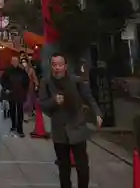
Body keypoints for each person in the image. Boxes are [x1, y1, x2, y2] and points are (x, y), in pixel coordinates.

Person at [39, 53, 103, 188]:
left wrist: (97, 113)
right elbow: (43, 105)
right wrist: (54, 101)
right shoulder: (46, 82)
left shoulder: (76, 81)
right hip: (59, 132)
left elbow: (89, 98)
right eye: (54, 65)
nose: (57, 68)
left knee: (82, 166)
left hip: (77, 127)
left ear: (65, 66)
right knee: (64, 167)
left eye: (60, 65)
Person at [1, 56, 30, 137]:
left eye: (16, 61)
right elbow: (3, 81)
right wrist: (6, 89)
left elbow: (26, 81)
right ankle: (13, 126)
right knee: (12, 110)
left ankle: (20, 129)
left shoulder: (22, 71)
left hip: (20, 94)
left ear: (18, 62)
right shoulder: (7, 71)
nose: (14, 62)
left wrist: (25, 91)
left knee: (20, 112)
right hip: (11, 93)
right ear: (11, 62)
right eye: (13, 61)